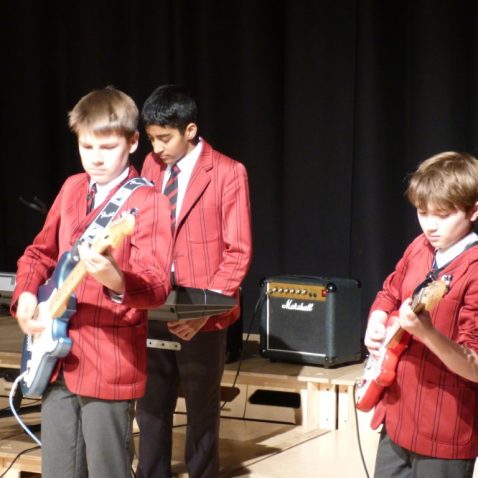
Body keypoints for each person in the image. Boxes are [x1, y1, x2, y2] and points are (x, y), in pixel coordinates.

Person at [11, 87, 173, 478]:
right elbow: (39, 253)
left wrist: (115, 279)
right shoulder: (71, 188)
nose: (95, 158)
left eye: (107, 146)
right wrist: (27, 296)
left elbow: (155, 285)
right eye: (86, 147)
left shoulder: (148, 203)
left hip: (110, 361)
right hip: (55, 357)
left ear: (133, 142)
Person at [136, 84, 253, 478]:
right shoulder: (151, 168)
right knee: (151, 408)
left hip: (202, 311)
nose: (157, 148)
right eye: (152, 138)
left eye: (164, 138)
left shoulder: (228, 172)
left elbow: (238, 251)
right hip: (154, 302)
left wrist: (205, 312)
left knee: (202, 409)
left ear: (190, 130)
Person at [364, 151, 478, 478]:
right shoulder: (420, 247)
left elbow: (474, 366)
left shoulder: (473, 270)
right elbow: (389, 292)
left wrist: (427, 334)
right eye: (422, 212)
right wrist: (376, 320)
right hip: (397, 415)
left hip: (446, 428)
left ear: (474, 211)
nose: (430, 225)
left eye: (443, 215)